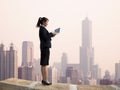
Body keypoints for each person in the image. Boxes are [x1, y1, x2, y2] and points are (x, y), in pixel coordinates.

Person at [36, 17, 56, 85]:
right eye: (47, 22)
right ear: (44, 22)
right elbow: (46, 37)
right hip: (45, 48)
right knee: (45, 64)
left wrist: (51, 35)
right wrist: (52, 34)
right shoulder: (42, 29)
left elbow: (46, 36)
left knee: (43, 64)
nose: (47, 23)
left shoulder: (42, 29)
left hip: (44, 48)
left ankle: (44, 80)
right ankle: (45, 80)